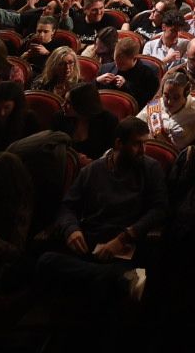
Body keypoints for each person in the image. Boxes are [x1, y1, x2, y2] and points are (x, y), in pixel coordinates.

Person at [38, 117, 165, 317]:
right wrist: (72, 229)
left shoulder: (150, 168)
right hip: (90, 243)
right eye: (136, 144)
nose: (143, 150)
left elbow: (159, 210)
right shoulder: (92, 170)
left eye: (145, 143)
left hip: (124, 247)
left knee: (97, 284)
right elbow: (67, 206)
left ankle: (113, 278)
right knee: (45, 261)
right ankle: (121, 279)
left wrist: (124, 237)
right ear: (118, 144)